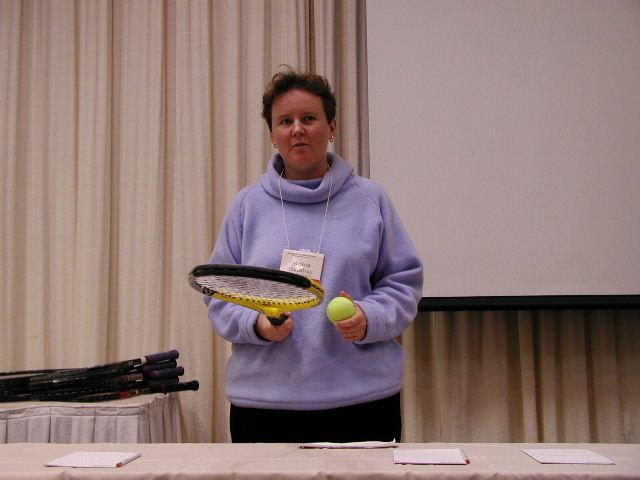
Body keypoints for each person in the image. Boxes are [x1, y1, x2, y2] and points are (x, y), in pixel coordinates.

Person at [204, 66, 423, 443]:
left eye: (309, 118)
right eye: (285, 121)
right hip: (264, 407)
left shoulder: (370, 199)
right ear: (272, 135)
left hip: (363, 403)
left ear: (332, 127)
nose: (297, 130)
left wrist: (368, 318)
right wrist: (257, 324)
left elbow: (402, 283)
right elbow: (220, 293)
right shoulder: (247, 206)